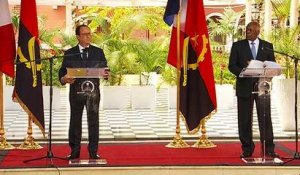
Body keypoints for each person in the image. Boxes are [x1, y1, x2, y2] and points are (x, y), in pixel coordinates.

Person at [228, 21, 279, 158]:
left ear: (257, 31)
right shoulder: (237, 46)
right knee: (244, 119)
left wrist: (269, 75)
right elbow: (231, 65)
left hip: (262, 88)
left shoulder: (267, 47)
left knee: (265, 118)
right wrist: (243, 71)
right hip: (244, 87)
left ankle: (268, 148)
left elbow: (272, 65)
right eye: (246, 30)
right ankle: (247, 148)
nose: (247, 32)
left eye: (250, 30)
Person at [59, 24, 109, 160]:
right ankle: (75, 151)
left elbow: (105, 68)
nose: (88, 36)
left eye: (89, 33)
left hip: (93, 93)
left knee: (93, 122)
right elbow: (63, 72)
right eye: (85, 34)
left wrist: (106, 73)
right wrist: (64, 79)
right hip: (76, 93)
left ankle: (93, 151)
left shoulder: (98, 52)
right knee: (75, 121)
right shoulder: (70, 53)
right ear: (78, 37)